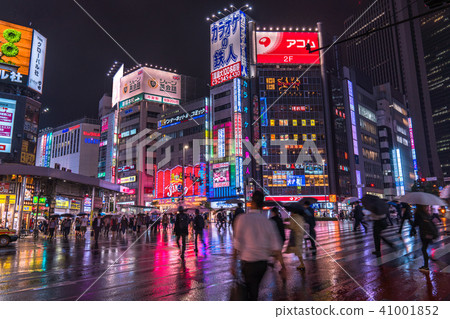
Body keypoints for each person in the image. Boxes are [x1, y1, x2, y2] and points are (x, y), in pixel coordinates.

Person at [231, 190, 286, 301]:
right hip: (262, 265)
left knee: (251, 290)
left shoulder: (242, 219)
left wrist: (232, 264)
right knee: (254, 289)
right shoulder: (269, 222)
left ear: (252, 202)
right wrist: (283, 266)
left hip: (248, 263)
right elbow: (276, 247)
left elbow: (237, 244)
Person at [413, 204, 438, 272]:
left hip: (424, 233)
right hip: (429, 233)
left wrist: (412, 226)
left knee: (424, 249)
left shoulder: (418, 213)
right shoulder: (426, 213)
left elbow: (415, 223)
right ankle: (430, 258)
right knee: (426, 247)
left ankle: (426, 266)